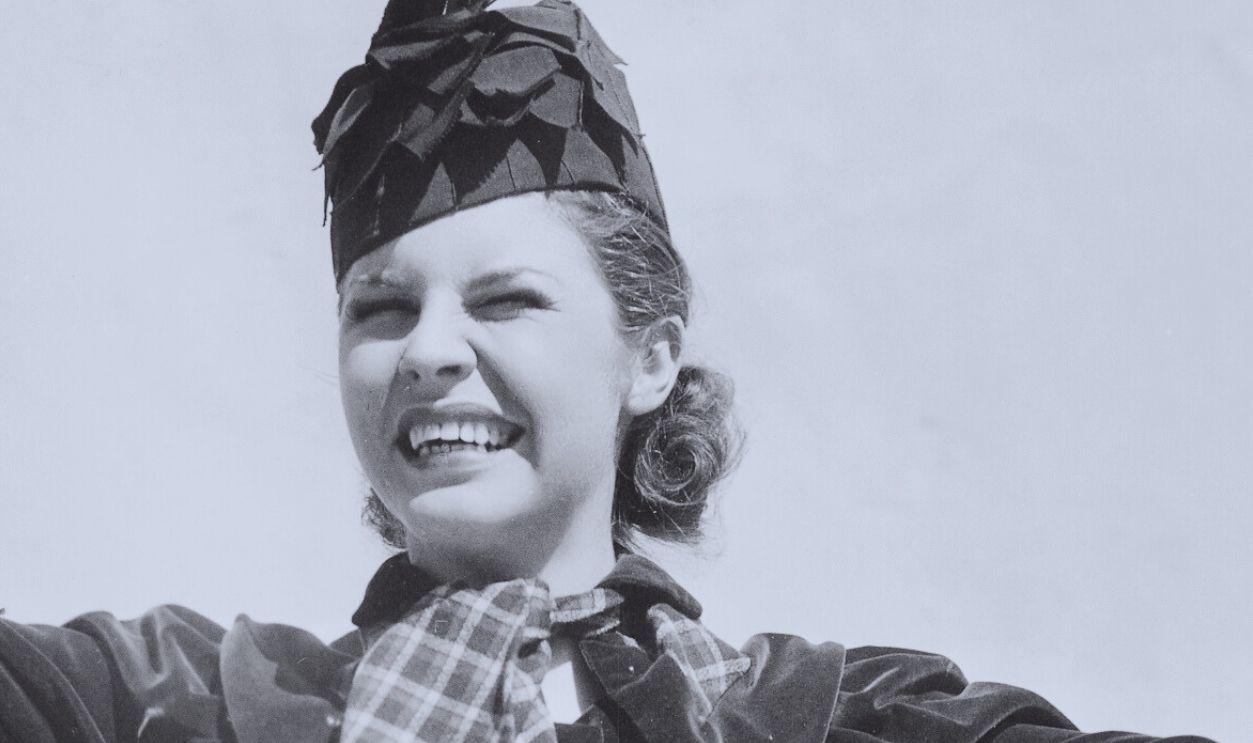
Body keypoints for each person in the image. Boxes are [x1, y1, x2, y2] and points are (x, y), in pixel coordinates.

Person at [0, 1, 1221, 742]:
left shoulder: (822, 714)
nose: (425, 349)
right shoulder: (180, 702)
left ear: (650, 355)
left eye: (506, 298)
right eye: (378, 306)